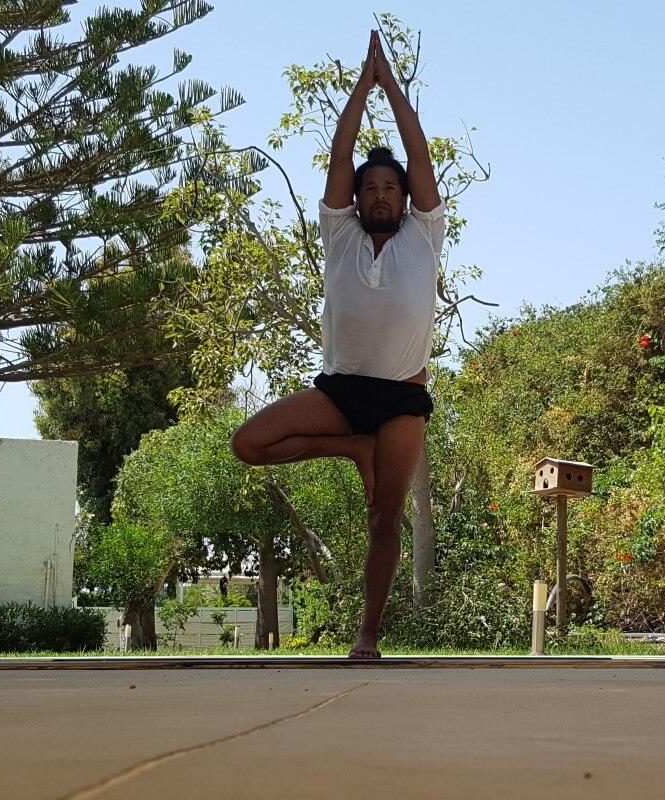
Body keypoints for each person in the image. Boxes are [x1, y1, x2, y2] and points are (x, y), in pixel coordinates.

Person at [228, 31, 444, 659]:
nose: (379, 195)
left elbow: (418, 151)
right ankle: (352, 448)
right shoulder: (340, 234)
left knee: (384, 519)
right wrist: (362, 85)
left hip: (402, 399)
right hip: (342, 392)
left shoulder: (424, 234)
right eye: (369, 188)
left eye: (390, 189)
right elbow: (340, 150)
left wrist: (393, 88)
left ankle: (367, 637)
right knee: (250, 443)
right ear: (355, 197)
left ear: (405, 199)